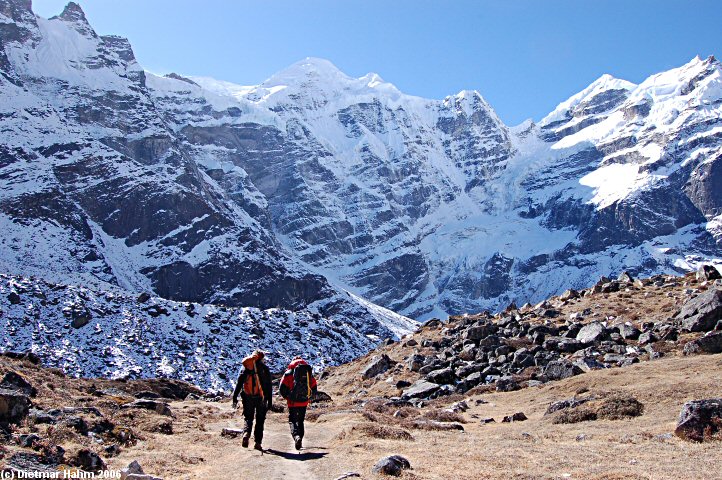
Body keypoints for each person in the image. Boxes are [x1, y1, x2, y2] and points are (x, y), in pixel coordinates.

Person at [232, 349, 272, 451]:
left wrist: (235, 397)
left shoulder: (245, 368)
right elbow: (268, 386)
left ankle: (246, 433)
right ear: (261, 358)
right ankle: (258, 443)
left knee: (248, 417)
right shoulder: (264, 368)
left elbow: (239, 383)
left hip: (247, 396)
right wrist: (269, 400)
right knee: (260, 420)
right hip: (261, 398)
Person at [279, 356, 318, 450]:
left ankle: (296, 437)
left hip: (292, 402)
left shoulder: (288, 373)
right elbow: (314, 386)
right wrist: (309, 397)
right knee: (300, 421)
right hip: (304, 401)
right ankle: (300, 440)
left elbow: (282, 388)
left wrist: (287, 397)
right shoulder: (308, 373)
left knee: (292, 420)